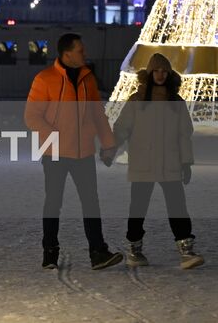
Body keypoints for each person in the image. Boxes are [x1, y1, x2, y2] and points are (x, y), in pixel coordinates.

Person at [25, 32, 122, 270]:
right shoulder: (45, 79)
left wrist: (108, 144)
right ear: (66, 54)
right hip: (55, 153)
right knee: (53, 203)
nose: (85, 53)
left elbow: (98, 115)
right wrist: (55, 137)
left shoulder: (88, 79)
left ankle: (98, 252)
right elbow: (31, 116)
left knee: (91, 203)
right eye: (80, 50)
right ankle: (50, 252)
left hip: (83, 153)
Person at [112, 52, 204, 269]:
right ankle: (134, 248)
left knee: (177, 207)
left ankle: (186, 249)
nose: (160, 75)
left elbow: (184, 134)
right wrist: (110, 150)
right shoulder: (137, 100)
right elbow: (122, 128)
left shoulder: (176, 102)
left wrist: (186, 162)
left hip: (170, 163)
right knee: (138, 207)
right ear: (150, 73)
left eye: (164, 71)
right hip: (143, 163)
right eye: (156, 71)